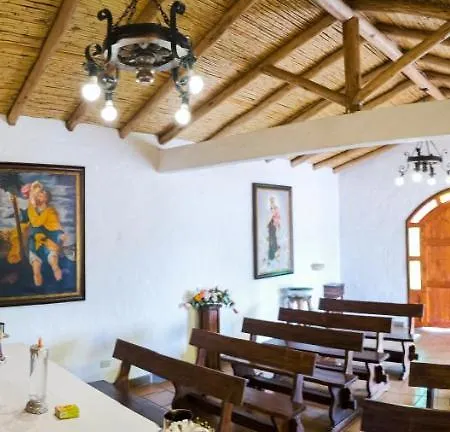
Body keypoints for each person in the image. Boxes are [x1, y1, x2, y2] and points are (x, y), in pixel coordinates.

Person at [20, 183, 66, 286]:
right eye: (38, 195)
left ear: (46, 199)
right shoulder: (34, 210)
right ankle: (38, 290)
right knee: (36, 271)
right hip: (36, 242)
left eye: (41, 195)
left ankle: (60, 285)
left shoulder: (50, 210)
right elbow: (28, 221)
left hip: (50, 240)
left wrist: (31, 203)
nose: (38, 197)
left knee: (54, 265)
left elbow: (37, 223)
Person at [267, 196, 281, 262]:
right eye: (271, 201)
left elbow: (277, 216)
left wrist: (278, 224)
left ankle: (274, 252)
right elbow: (270, 216)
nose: (271, 202)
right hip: (271, 224)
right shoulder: (271, 208)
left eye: (272, 201)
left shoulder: (275, 208)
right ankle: (272, 254)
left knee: (273, 238)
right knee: (271, 237)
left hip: (273, 224)